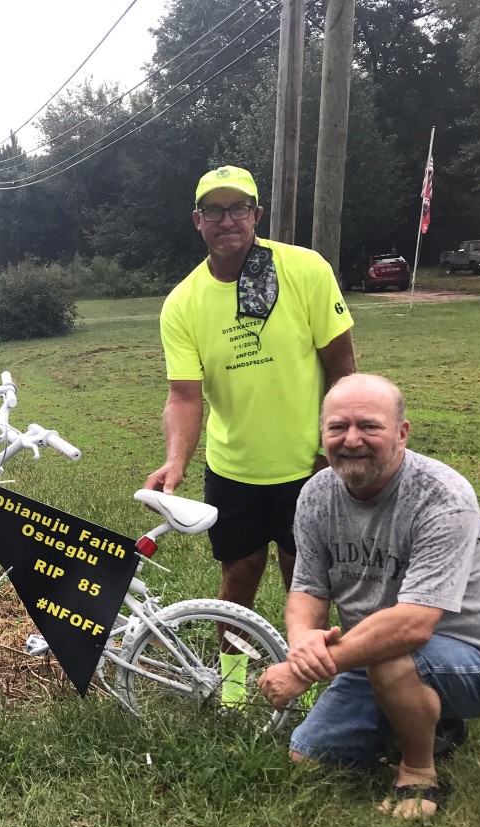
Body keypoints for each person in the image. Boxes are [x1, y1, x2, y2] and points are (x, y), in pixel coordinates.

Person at [259, 374, 480, 818]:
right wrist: (303, 643)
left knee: (392, 653)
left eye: (369, 426)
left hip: (479, 661)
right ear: (321, 434)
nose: (351, 440)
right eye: (337, 428)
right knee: (309, 756)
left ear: (402, 433)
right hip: (372, 651)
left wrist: (304, 671)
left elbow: (413, 625)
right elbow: (307, 588)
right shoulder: (315, 495)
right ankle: (431, 719)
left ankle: (419, 773)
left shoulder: (442, 497)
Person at [145, 166, 355, 699]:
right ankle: (235, 692)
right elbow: (185, 397)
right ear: (198, 221)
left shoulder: (305, 270)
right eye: (213, 211)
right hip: (233, 468)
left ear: (256, 216)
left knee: (303, 584)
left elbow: (343, 371)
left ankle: (312, 694)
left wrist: (333, 450)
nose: (227, 220)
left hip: (309, 466)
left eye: (239, 208)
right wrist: (176, 461)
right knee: (237, 579)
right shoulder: (183, 303)